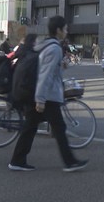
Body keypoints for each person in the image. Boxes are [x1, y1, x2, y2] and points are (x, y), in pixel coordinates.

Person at [9, 16, 88, 172]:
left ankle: (17, 160)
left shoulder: (47, 45)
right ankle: (69, 162)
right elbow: (45, 75)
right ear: (58, 30)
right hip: (47, 97)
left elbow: (46, 70)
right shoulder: (54, 48)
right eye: (65, 29)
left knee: (30, 127)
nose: (66, 31)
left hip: (43, 95)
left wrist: (61, 66)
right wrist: (40, 99)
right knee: (59, 128)